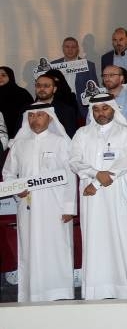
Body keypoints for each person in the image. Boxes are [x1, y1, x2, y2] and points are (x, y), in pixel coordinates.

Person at [69, 93, 127, 299]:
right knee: (94, 239)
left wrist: (96, 182)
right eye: (96, 109)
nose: (100, 113)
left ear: (113, 108)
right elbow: (74, 161)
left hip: (120, 193)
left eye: (105, 108)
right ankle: (96, 289)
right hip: (92, 198)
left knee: (123, 238)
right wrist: (95, 174)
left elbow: (125, 162)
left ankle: (126, 289)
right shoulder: (82, 133)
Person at [2, 103, 75, 302]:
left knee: (57, 248)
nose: (35, 119)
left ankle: (59, 293)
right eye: (31, 116)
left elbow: (70, 176)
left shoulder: (61, 142)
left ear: (50, 118)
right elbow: (8, 173)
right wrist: (16, 189)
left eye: (40, 115)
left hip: (56, 206)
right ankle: (32, 293)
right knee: (30, 248)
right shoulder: (19, 144)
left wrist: (69, 207)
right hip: (28, 206)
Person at [31, 72, 80, 138]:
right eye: (38, 86)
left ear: (54, 89)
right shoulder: (26, 110)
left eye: (46, 86)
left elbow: (70, 137)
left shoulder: (66, 110)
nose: (42, 89)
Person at [0, 66, 35, 138]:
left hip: (19, 134)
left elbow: (30, 114)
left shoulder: (22, 93)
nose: (0, 78)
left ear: (10, 76)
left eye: (3, 75)